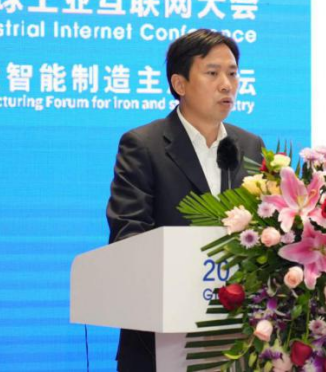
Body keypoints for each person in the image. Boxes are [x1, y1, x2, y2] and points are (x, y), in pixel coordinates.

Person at [106, 29, 265, 371]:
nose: (227, 85)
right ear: (179, 84)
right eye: (213, 73)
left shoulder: (251, 146)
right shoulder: (143, 145)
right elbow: (128, 234)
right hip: (159, 340)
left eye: (232, 73)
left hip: (238, 340)